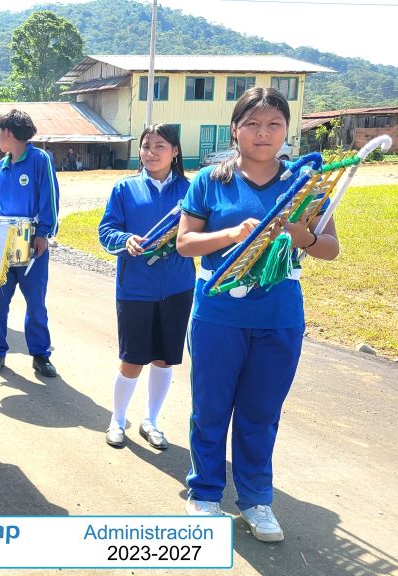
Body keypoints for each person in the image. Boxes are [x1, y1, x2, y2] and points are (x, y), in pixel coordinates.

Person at [176, 87, 340, 542]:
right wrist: (231, 235)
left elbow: (331, 248)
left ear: (287, 131)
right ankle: (205, 493)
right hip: (218, 315)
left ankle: (255, 500)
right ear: (235, 130)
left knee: (260, 413)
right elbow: (184, 243)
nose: (263, 133)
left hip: (279, 317)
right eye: (252, 124)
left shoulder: (305, 185)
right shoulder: (210, 180)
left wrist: (304, 237)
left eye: (273, 124)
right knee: (210, 409)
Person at [97, 124, 194, 450]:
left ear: (175, 151)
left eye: (159, 146)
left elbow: (202, 232)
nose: (151, 153)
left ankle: (151, 420)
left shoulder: (191, 190)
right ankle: (117, 419)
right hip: (135, 288)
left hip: (178, 288)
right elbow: (106, 231)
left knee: (165, 360)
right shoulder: (125, 189)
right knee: (132, 359)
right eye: (146, 146)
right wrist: (126, 240)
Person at [0, 109, 58, 379]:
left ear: (8, 133)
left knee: (35, 303)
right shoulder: (1, 167)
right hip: (2, 245)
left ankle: (40, 355)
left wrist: (44, 233)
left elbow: (50, 197)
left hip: (32, 244)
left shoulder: (39, 160)